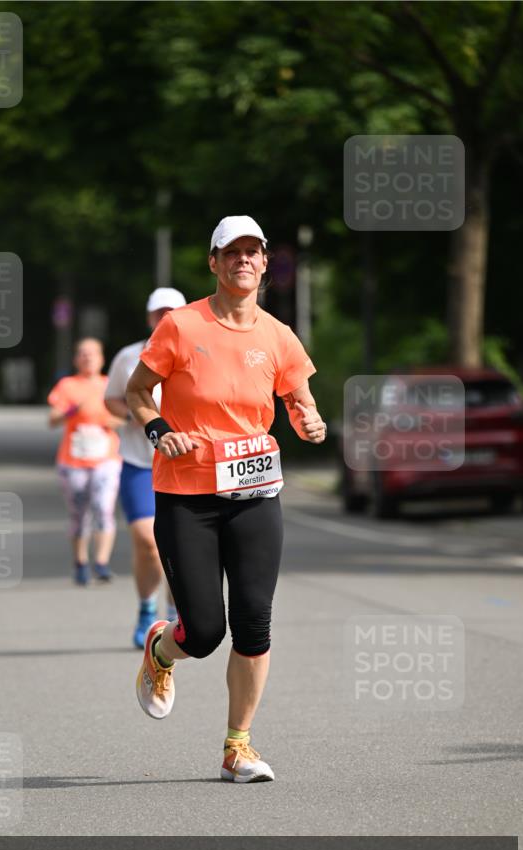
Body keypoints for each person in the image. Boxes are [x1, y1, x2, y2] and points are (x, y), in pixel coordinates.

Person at [126, 216, 326, 783]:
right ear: (213, 262)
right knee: (206, 632)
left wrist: (308, 421)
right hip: (187, 495)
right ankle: (163, 649)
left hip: (255, 493)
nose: (243, 260)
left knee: (255, 623)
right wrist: (160, 429)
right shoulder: (181, 327)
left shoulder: (279, 335)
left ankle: (238, 747)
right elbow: (137, 390)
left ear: (265, 263)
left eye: (252, 252)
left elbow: (299, 400)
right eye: (230, 252)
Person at [104, 288, 185, 648]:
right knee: (147, 542)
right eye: (158, 313)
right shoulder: (128, 356)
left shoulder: (198, 351)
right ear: (149, 317)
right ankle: (145, 608)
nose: (165, 318)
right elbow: (111, 400)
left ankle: (175, 612)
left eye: (172, 312)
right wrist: (135, 416)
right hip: (140, 461)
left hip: (186, 464)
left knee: (181, 545)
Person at [48, 338, 122, 584]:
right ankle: (80, 561)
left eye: (92, 354)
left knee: (103, 508)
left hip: (106, 458)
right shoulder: (67, 385)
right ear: (75, 359)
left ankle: (101, 562)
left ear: (102, 359)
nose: (87, 357)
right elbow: (52, 420)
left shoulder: (111, 385)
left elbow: (128, 416)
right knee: (79, 514)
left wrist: (114, 422)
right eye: (82, 353)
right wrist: (71, 411)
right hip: (74, 460)